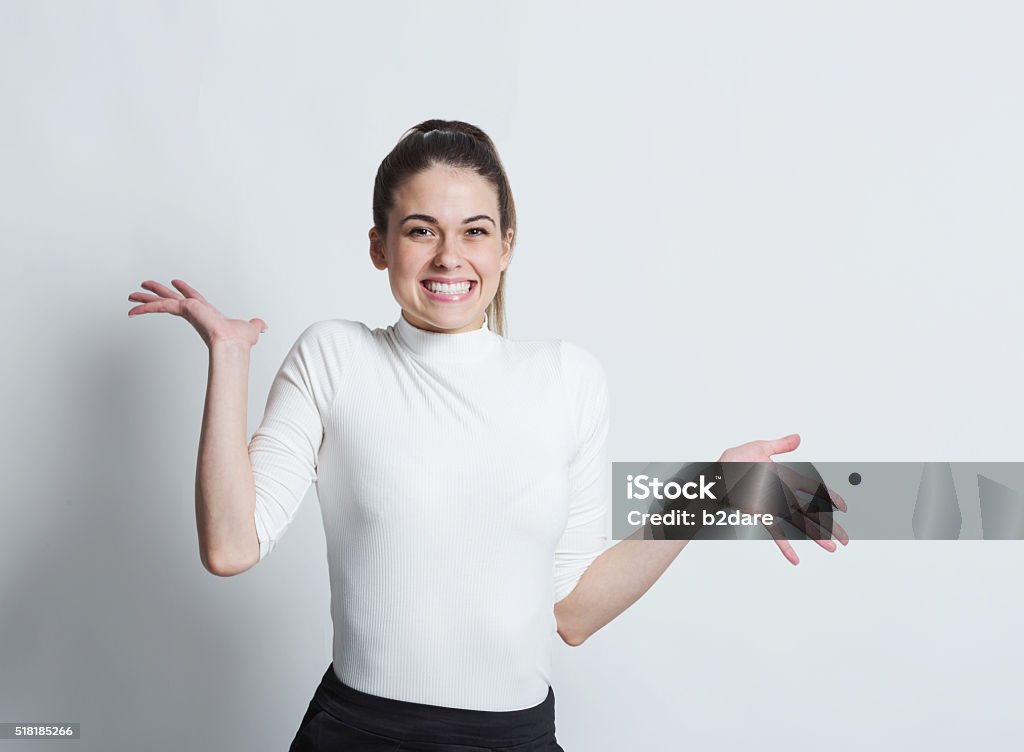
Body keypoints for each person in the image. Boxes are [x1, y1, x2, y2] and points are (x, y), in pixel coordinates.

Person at [126, 119, 848, 751]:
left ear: (505, 247)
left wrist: (709, 494)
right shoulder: (335, 358)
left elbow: (573, 613)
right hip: (360, 735)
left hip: (514, 738)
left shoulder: (569, 379)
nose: (450, 257)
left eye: (474, 231)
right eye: (420, 231)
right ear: (379, 247)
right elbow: (230, 545)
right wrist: (229, 359)